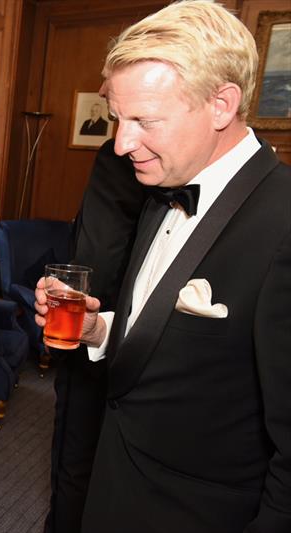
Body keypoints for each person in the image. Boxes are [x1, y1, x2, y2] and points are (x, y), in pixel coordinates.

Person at [34, 2, 290, 532]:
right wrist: (97, 329)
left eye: (144, 121)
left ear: (221, 105)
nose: (122, 144)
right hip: (113, 487)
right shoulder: (160, 194)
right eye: (117, 121)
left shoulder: (283, 221)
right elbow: (153, 345)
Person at [44, 139, 145, 533]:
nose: (125, 138)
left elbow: (97, 255)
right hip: (97, 337)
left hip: (101, 353)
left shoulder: (117, 157)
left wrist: (87, 323)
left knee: (77, 468)